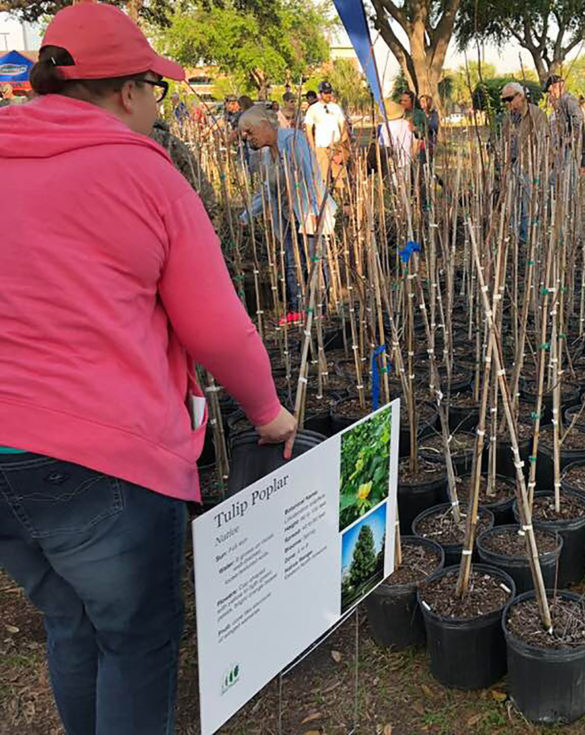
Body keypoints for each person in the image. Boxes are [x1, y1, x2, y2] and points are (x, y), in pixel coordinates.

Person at [0, 5, 296, 735]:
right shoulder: (143, 174)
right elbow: (216, 325)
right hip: (104, 461)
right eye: (154, 90)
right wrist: (267, 411)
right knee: (134, 643)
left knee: (70, 623)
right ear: (127, 91)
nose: (157, 106)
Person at [240, 105, 331, 322]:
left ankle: (320, 308)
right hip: (286, 215)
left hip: (306, 212)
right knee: (292, 261)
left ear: (264, 125)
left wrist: (314, 211)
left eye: (250, 132)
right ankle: (297, 309)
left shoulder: (293, 141)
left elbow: (311, 176)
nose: (247, 138)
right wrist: (246, 215)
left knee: (314, 258)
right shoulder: (266, 154)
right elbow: (266, 189)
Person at [500, 81, 549, 243]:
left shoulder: (536, 114)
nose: (507, 104)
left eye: (509, 99)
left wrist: (537, 165)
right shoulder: (508, 118)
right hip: (512, 166)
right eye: (504, 101)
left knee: (528, 205)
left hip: (529, 166)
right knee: (513, 204)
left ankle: (530, 239)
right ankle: (517, 238)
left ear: (520, 96)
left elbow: (544, 141)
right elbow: (505, 140)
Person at [304, 80, 349, 189]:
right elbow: (308, 129)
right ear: (320, 94)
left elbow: (343, 128)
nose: (328, 95)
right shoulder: (313, 109)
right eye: (325, 93)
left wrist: (342, 149)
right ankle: (325, 203)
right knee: (323, 179)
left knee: (339, 179)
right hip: (321, 147)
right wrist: (313, 147)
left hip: (336, 146)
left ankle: (343, 201)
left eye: (330, 92)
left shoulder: (336, 108)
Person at [545, 74, 585, 173]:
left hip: (570, 148)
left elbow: (578, 120)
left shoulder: (569, 100)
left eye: (550, 91)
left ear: (557, 87)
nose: (549, 95)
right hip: (561, 147)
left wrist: (570, 138)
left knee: (568, 174)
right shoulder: (559, 102)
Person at [418, 93, 439, 165]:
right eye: (420, 101)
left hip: (430, 142)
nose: (421, 103)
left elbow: (434, 127)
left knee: (429, 162)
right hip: (420, 143)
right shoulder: (419, 114)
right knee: (421, 163)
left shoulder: (433, 114)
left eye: (423, 101)